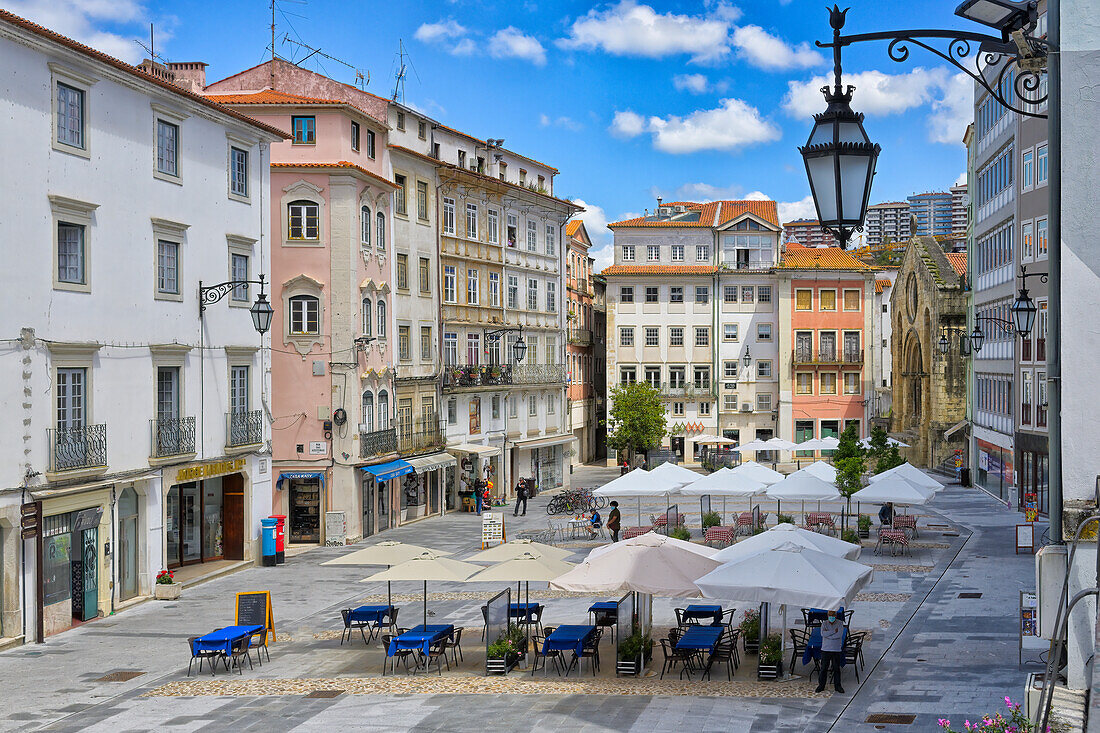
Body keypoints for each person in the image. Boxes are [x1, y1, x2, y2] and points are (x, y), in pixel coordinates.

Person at [816, 609, 845, 693]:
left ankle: (838, 686)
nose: (831, 617)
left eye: (833, 615)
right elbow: (823, 634)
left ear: (835, 616)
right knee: (823, 668)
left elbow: (839, 635)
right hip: (826, 649)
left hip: (836, 649)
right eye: (830, 615)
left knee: (836, 668)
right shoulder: (824, 623)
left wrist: (828, 635)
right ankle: (821, 685)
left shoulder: (839, 623)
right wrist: (833, 632)